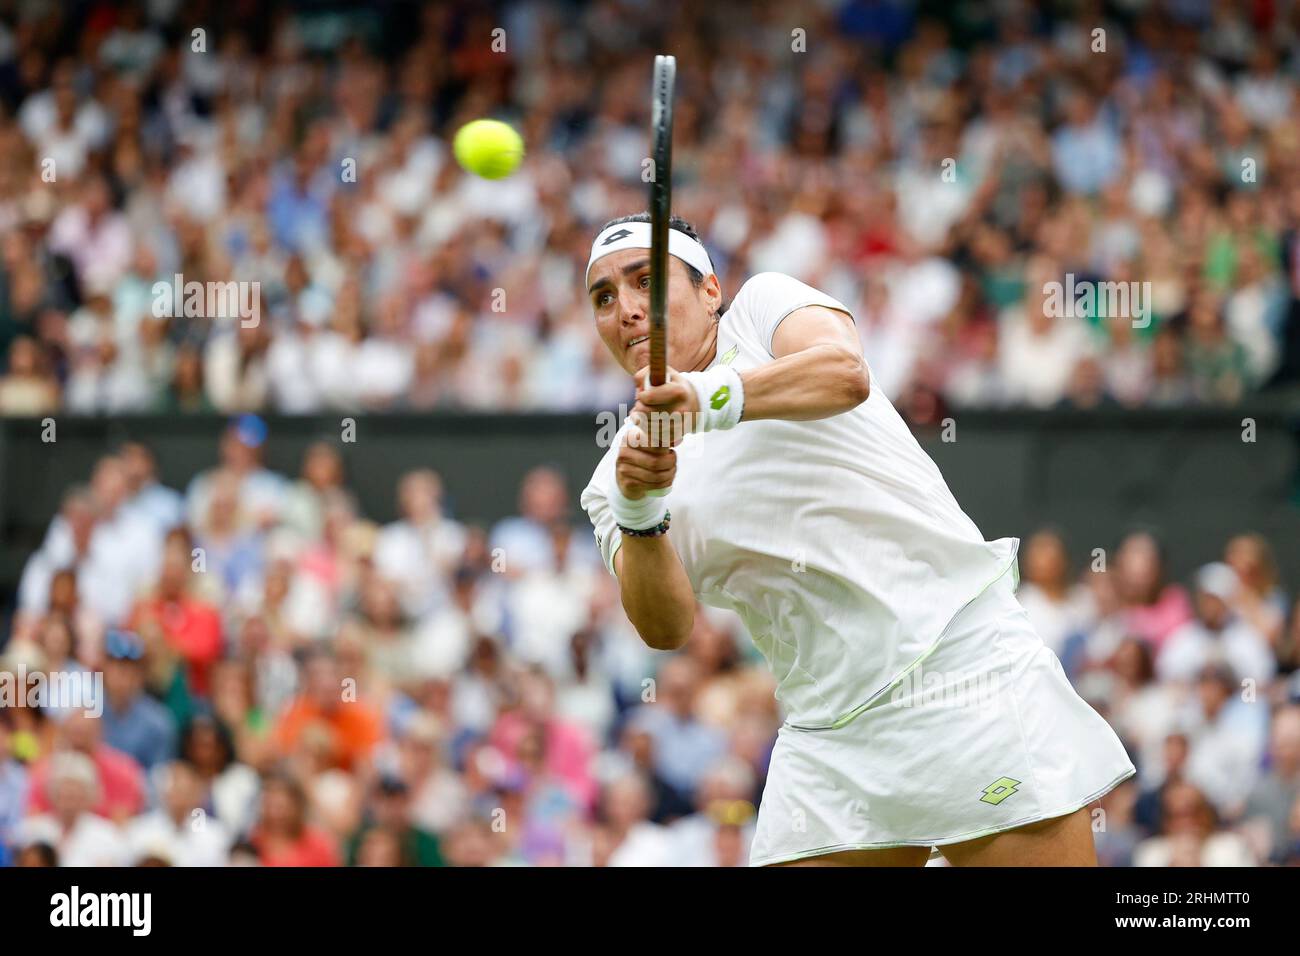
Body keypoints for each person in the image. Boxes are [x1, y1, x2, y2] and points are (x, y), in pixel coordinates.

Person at [580, 214, 1135, 866]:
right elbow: (667, 625)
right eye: (604, 297)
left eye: (646, 280)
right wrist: (640, 508)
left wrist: (704, 397)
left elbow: (844, 372)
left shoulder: (762, 310)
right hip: (826, 735)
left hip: (959, 671)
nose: (627, 309)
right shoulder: (613, 479)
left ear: (710, 292)